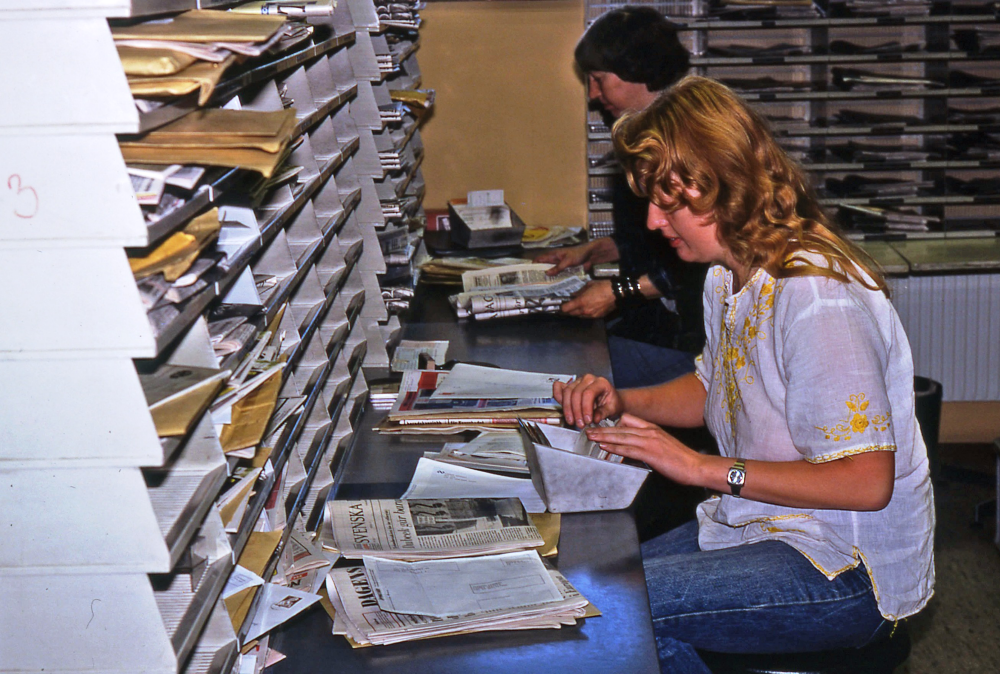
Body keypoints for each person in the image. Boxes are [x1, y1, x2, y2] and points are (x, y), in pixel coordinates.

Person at [553, 76, 935, 674]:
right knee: (592, 582)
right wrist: (621, 400)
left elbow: (866, 481)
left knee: (607, 602)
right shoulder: (726, 275)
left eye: (668, 200)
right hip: (762, 528)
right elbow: (715, 387)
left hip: (841, 568)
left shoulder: (815, 297)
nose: (653, 221)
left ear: (721, 185)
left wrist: (699, 467)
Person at [535, 7, 707, 389]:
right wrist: (593, 251)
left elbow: (700, 254)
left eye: (598, 80)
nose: (593, 95)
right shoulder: (644, 137)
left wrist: (621, 290)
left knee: (567, 367)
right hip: (664, 323)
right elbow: (657, 239)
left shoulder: (687, 141)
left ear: (637, 69)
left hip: (697, 342)